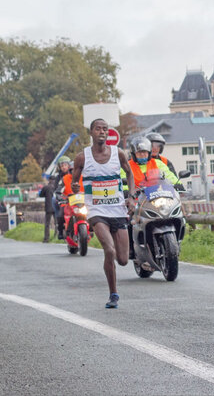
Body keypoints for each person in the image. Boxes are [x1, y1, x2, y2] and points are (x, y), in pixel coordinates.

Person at [71, 118, 135, 309]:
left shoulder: (119, 154)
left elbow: (130, 174)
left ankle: (113, 265)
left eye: (105, 129)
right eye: (98, 129)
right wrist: (75, 187)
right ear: (91, 133)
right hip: (96, 211)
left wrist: (130, 196)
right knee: (109, 250)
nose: (102, 132)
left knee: (123, 260)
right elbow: (75, 184)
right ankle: (113, 294)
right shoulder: (82, 157)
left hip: (117, 209)